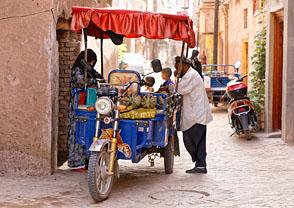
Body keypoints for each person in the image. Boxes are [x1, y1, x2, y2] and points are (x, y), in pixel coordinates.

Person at [174, 56, 213, 174]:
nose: (176, 70)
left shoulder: (190, 76)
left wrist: (175, 78)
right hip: (197, 113)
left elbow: (179, 89)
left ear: (184, 67)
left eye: (177, 68)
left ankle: (200, 163)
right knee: (198, 141)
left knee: (190, 139)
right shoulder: (190, 74)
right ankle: (201, 165)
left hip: (196, 115)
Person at [68, 49, 101, 172]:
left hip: (87, 105)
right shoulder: (77, 71)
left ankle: (87, 161)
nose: (92, 64)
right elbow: (82, 83)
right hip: (77, 105)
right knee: (77, 132)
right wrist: (92, 79)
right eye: (90, 62)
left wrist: (95, 74)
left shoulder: (89, 70)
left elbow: (99, 77)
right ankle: (77, 164)